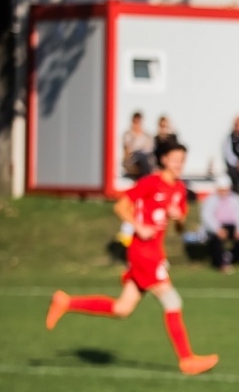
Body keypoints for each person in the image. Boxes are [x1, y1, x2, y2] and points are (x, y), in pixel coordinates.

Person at [45, 143, 218, 376]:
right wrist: (138, 226)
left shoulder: (179, 188)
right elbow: (120, 206)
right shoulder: (150, 183)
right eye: (175, 159)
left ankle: (66, 302)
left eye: (182, 160)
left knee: (122, 309)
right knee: (173, 301)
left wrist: (178, 218)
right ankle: (187, 359)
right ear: (164, 160)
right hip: (142, 252)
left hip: (155, 253)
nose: (179, 164)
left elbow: (179, 228)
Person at [201, 174, 239, 273]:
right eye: (221, 190)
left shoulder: (236, 199)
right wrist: (217, 229)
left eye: (225, 190)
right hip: (217, 228)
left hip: (233, 227)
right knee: (215, 241)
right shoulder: (210, 200)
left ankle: (229, 257)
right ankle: (219, 263)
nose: (223, 192)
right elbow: (207, 217)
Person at [122, 112, 155, 179]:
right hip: (133, 158)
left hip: (145, 157)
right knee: (140, 155)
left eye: (138, 122)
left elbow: (149, 148)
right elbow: (128, 149)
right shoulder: (128, 134)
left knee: (144, 157)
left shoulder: (147, 135)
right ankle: (146, 178)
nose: (137, 124)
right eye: (135, 122)